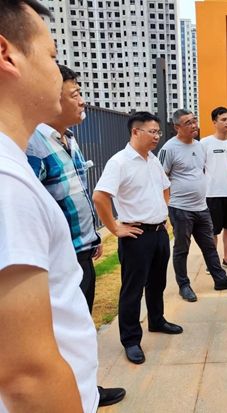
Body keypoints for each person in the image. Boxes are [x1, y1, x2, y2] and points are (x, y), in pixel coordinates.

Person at [0, 1, 98, 410]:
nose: (59, 72)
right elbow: (26, 376)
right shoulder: (8, 183)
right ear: (7, 55)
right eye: (53, 55)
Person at [26, 64, 126, 406]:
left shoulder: (68, 139)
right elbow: (34, 209)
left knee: (80, 325)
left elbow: (76, 193)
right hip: (58, 260)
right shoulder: (33, 146)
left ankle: (85, 390)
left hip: (80, 251)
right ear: (52, 97)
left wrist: (92, 238)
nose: (83, 101)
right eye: (75, 94)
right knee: (62, 332)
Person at [93, 112, 183, 365]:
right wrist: (114, 228)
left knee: (157, 283)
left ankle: (156, 320)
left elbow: (165, 186)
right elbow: (100, 196)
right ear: (135, 132)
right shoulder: (119, 162)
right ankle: (131, 339)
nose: (157, 137)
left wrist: (161, 211)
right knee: (133, 290)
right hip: (136, 235)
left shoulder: (152, 159)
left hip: (159, 233)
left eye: (158, 132)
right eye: (152, 132)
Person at [158, 109, 227, 303]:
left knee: (209, 247)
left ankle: (220, 279)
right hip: (180, 209)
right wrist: (165, 207)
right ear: (177, 127)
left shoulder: (199, 146)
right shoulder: (169, 149)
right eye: (188, 123)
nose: (193, 125)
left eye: (194, 120)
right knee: (182, 249)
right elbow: (159, 179)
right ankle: (184, 285)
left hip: (201, 207)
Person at [201, 106, 227, 270]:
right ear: (214, 122)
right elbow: (199, 167)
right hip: (212, 194)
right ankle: (212, 263)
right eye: (223, 119)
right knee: (212, 231)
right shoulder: (204, 143)